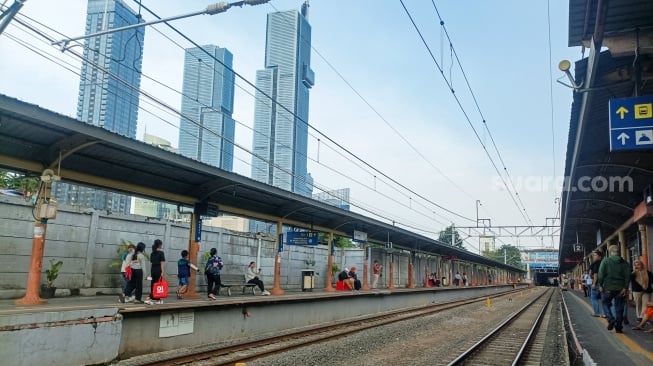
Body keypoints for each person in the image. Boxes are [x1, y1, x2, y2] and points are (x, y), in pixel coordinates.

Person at [598, 245, 631, 333]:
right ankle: (619, 327)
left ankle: (610, 318)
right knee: (619, 308)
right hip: (621, 288)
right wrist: (625, 287)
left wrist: (600, 285)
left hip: (608, 288)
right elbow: (628, 276)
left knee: (605, 303)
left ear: (609, 252)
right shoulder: (625, 263)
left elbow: (601, 274)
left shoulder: (605, 261)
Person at [145, 239, 166, 305]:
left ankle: (152, 297)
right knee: (158, 284)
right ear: (159, 245)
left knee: (153, 284)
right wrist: (162, 271)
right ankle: (157, 299)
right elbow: (162, 263)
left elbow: (151, 263)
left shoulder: (152, 253)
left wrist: (151, 272)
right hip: (158, 269)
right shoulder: (161, 253)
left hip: (153, 270)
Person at [589, 250, 604, 317]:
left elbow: (596, 274)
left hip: (597, 283)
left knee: (593, 298)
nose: (593, 257)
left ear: (599, 257)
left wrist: (594, 283)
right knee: (603, 299)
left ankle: (597, 312)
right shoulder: (603, 263)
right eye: (593, 255)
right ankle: (604, 313)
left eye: (595, 255)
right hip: (603, 283)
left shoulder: (596, 263)